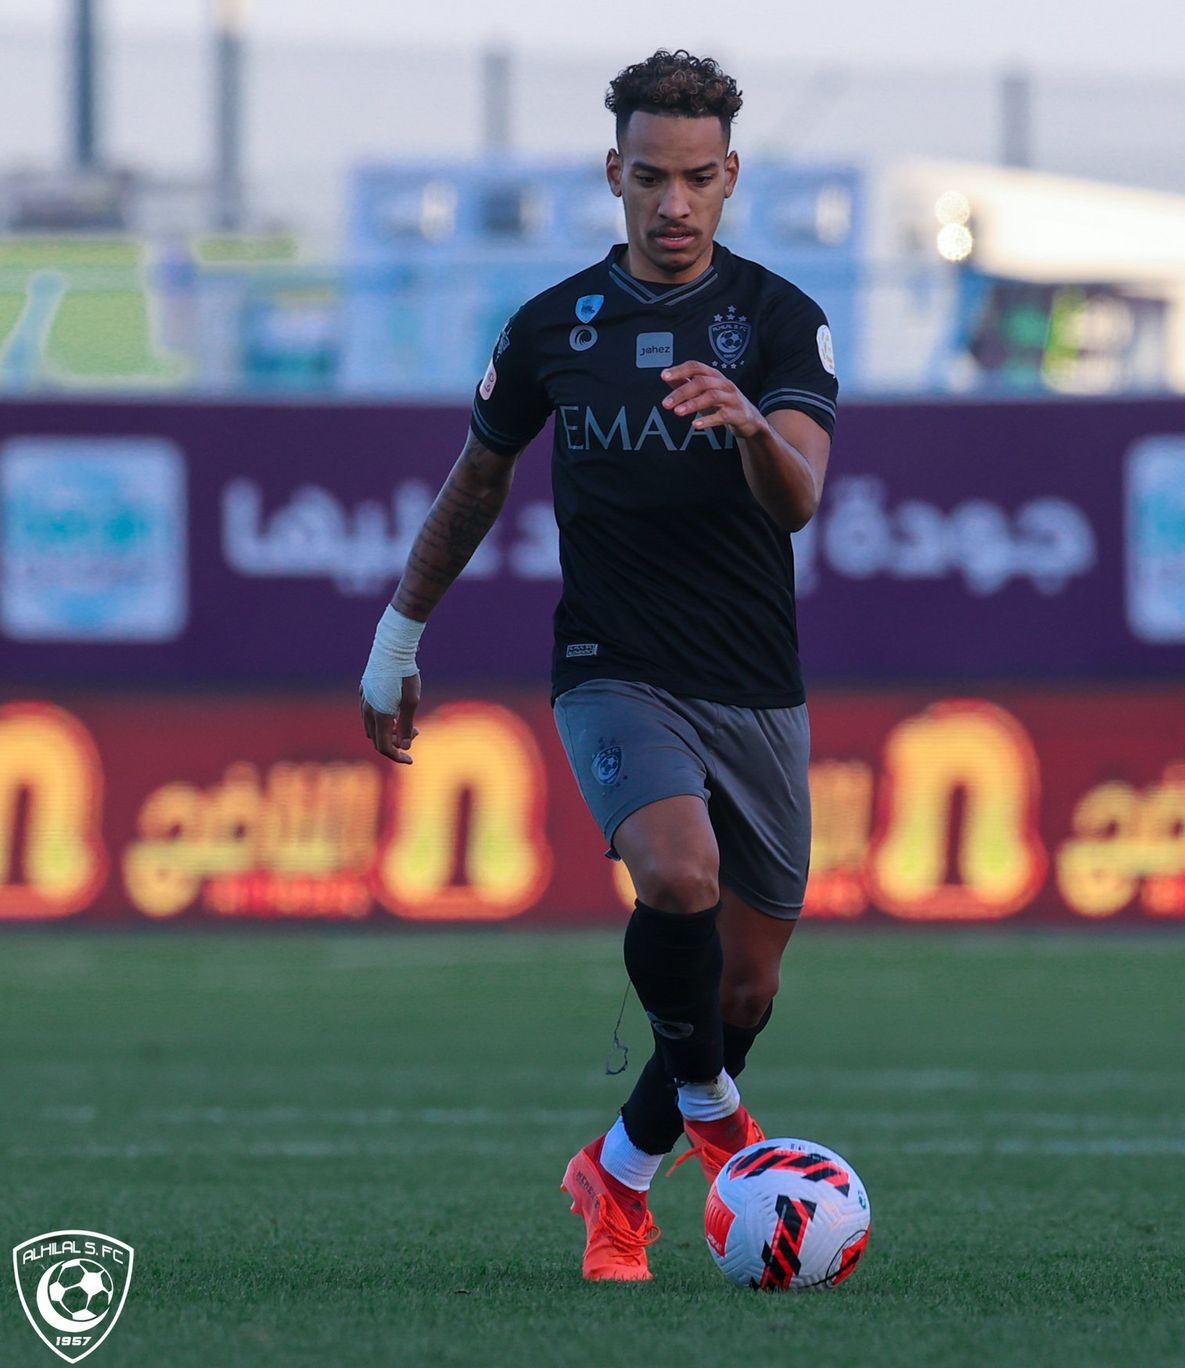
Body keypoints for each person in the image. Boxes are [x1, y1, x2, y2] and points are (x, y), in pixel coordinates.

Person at [358, 49, 838, 1282]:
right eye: (649, 177)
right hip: (612, 668)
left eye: (697, 179)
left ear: (730, 175)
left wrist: (747, 423)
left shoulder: (778, 319)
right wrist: (397, 638)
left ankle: (616, 1175)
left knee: (744, 992)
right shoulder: (550, 328)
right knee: (675, 876)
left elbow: (797, 499)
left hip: (754, 683)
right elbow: (477, 483)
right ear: (611, 172)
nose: (673, 204)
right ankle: (719, 1120)